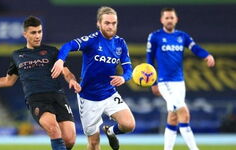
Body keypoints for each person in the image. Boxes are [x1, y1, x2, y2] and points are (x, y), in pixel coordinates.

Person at [0, 16, 81, 150]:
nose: (37, 36)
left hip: (57, 96)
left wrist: (72, 80)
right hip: (36, 99)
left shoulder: (52, 52)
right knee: (53, 129)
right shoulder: (17, 55)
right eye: (33, 32)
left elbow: (66, 72)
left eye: (40, 32)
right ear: (25, 34)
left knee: (69, 140)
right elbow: (7, 81)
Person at [51, 6, 135, 150]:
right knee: (94, 143)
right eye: (107, 23)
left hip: (109, 93)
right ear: (99, 24)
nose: (111, 26)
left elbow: (128, 69)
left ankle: (111, 131)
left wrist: (124, 78)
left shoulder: (120, 43)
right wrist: (60, 60)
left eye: (114, 23)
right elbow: (68, 46)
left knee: (129, 125)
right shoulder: (92, 40)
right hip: (88, 98)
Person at [146, 8, 215, 150]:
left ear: (176, 19)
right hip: (164, 82)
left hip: (179, 82)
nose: (169, 20)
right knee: (184, 112)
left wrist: (206, 55)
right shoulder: (155, 37)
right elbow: (149, 60)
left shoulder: (182, 36)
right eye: (167, 18)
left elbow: (195, 48)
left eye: (172, 17)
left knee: (173, 117)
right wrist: (153, 82)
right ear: (162, 20)